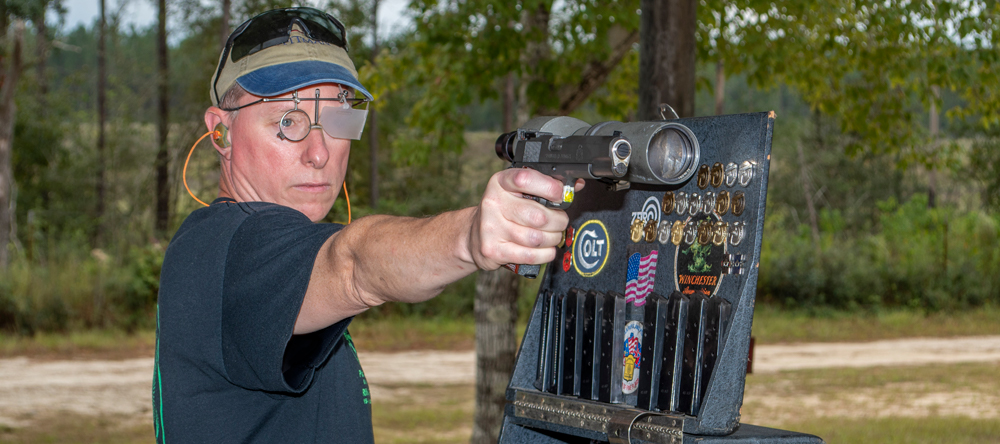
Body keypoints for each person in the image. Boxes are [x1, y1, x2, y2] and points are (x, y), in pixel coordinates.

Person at [152, 7, 579, 443]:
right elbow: (353, 263)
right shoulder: (227, 247)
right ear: (220, 133)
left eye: (338, 119)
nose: (320, 153)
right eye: (288, 121)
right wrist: (470, 238)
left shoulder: (256, 257)